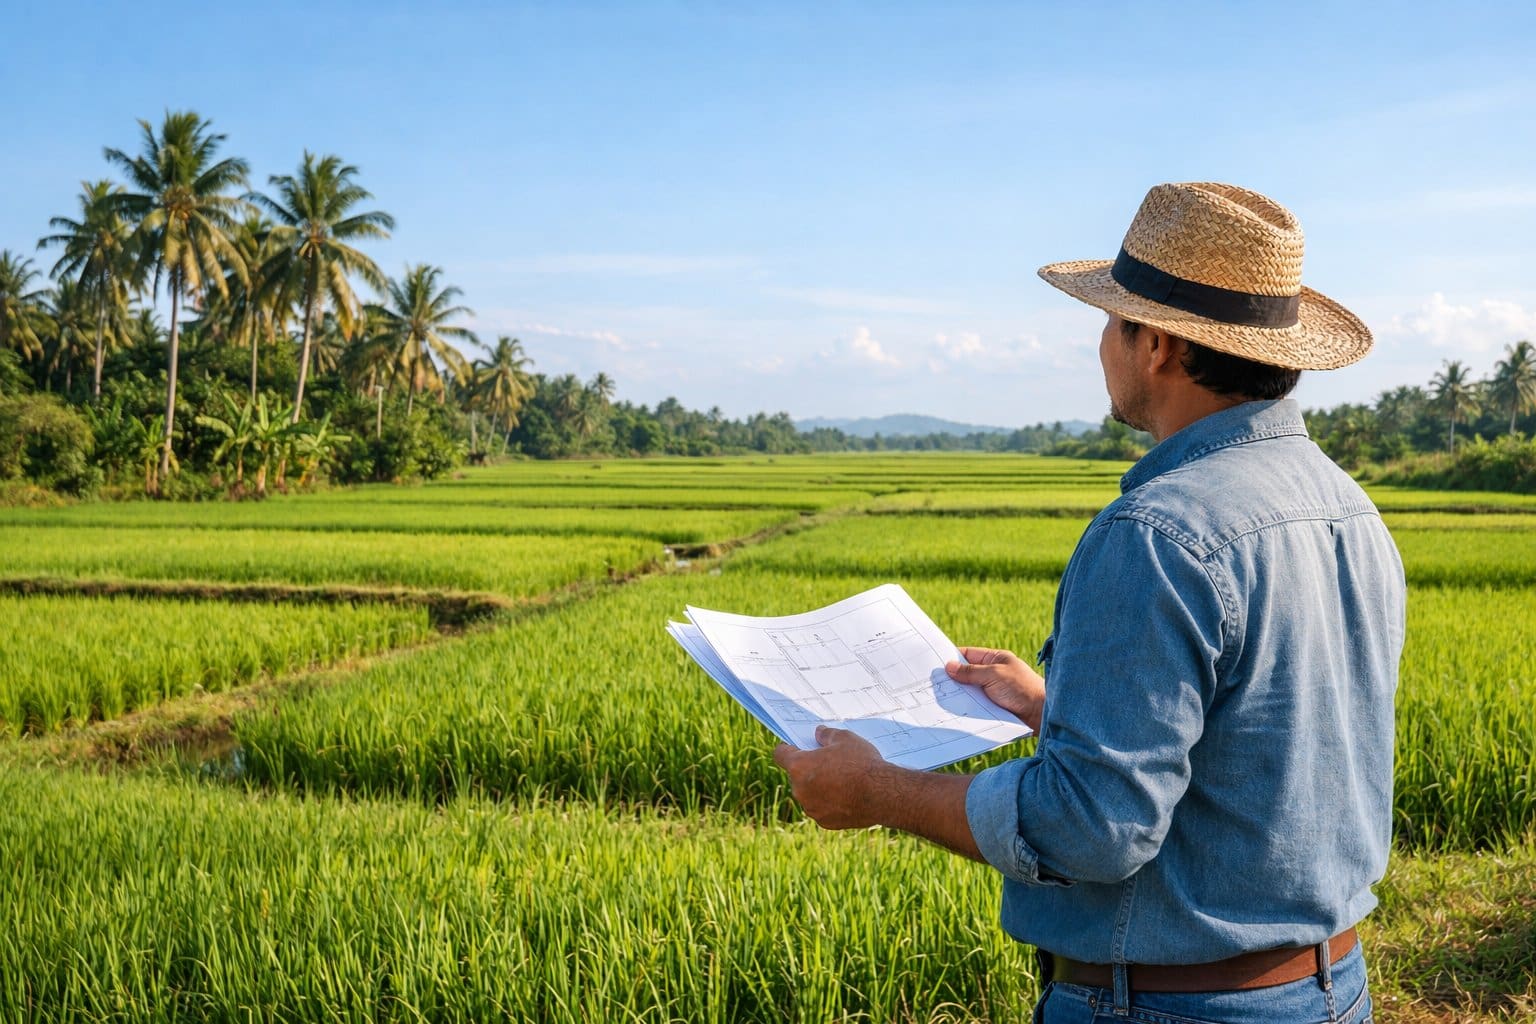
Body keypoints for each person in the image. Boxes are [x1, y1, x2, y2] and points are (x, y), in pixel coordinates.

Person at [773, 181, 1406, 1024]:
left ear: (1157, 347)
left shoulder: (1158, 532)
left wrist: (876, 792)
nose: (1101, 344)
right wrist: (1055, 710)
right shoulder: (1348, 507)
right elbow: (1271, 751)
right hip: (1329, 990)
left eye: (1111, 321)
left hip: (1176, 1007)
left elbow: (1091, 831)